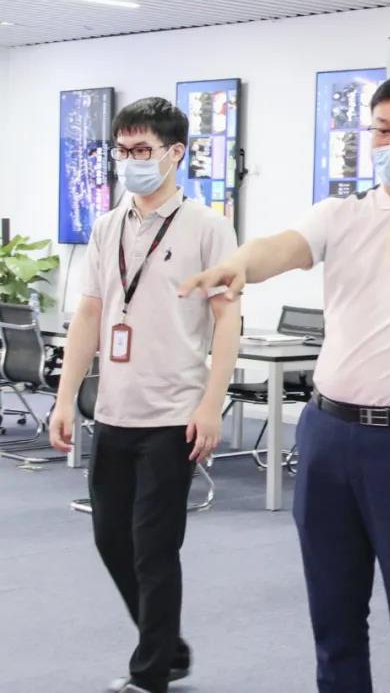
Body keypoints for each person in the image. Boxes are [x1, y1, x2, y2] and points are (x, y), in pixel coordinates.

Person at [180, 75, 390, 693]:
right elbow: (282, 248)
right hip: (327, 434)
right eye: (383, 131)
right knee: (333, 613)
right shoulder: (342, 212)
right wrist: (238, 264)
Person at [50, 97, 241, 693]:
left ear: (175, 153)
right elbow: (89, 315)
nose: (129, 160)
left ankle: (151, 671)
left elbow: (227, 320)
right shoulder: (107, 227)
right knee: (111, 539)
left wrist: (211, 403)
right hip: (115, 409)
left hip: (174, 412)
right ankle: (170, 644)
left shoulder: (208, 227)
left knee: (154, 548)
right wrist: (64, 397)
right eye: (122, 150)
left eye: (141, 150)